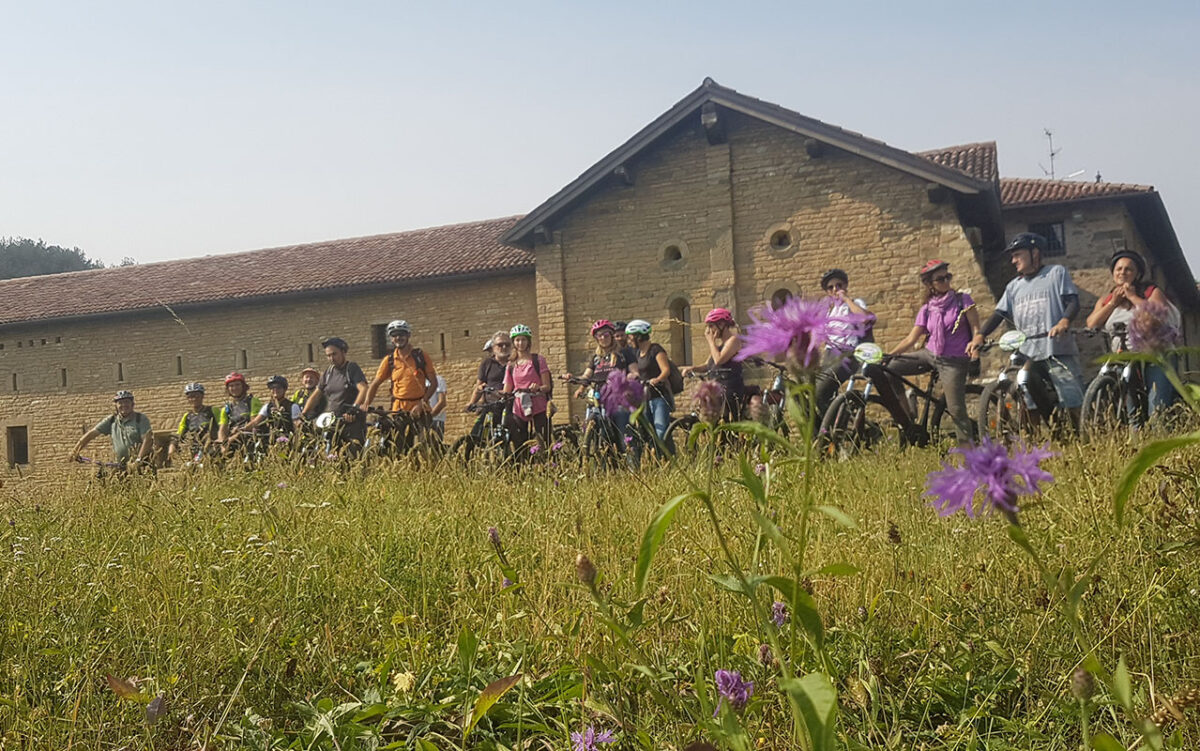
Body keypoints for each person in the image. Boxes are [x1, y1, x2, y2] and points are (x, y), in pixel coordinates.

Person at [968, 233, 1085, 423]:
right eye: (1012, 256)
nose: (1013, 261)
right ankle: (1043, 438)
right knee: (1028, 399)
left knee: (1071, 398)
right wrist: (980, 335)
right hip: (1027, 353)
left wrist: (1064, 321)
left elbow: (1073, 302)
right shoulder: (1013, 287)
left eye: (1018, 255)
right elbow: (999, 314)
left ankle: (1083, 437)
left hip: (1056, 349)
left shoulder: (1056, 273)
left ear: (1035, 253)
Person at [868, 260, 980, 445]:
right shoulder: (927, 309)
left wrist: (975, 343)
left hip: (954, 360)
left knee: (956, 410)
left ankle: (968, 458)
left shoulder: (963, 300)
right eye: (940, 279)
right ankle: (907, 415)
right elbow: (911, 340)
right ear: (930, 284)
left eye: (947, 277)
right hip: (929, 354)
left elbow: (976, 329)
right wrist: (889, 355)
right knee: (890, 369)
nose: (946, 281)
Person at [1085, 249, 1178, 418]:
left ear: (1137, 273)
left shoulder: (1151, 292)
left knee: (1157, 409)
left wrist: (1133, 297)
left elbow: (1156, 316)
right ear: (1113, 273)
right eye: (1118, 269)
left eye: (1128, 269)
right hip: (1123, 358)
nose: (1123, 273)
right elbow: (1092, 323)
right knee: (1132, 411)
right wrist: (1113, 303)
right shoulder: (1105, 300)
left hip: (1155, 356)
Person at [814, 269, 875, 427]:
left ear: (845, 286)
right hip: (829, 355)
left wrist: (847, 299)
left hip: (848, 354)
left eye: (839, 285)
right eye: (831, 287)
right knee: (819, 395)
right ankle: (843, 429)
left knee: (820, 391)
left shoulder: (855, 303)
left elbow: (864, 318)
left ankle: (838, 428)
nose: (835, 289)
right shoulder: (829, 312)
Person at [361, 320, 437, 424]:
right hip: (399, 410)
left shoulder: (421, 356)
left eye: (401, 334)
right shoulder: (389, 360)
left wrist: (421, 404)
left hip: (421, 409)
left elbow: (433, 383)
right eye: (394, 335)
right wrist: (366, 403)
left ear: (408, 335)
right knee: (399, 440)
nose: (398, 338)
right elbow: (375, 384)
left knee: (425, 440)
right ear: (391, 339)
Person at [302, 337, 369, 452]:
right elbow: (316, 394)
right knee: (330, 454)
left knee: (353, 457)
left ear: (343, 352)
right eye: (328, 355)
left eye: (334, 354)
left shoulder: (351, 368)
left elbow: (363, 388)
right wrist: (304, 413)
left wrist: (353, 409)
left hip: (351, 422)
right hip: (333, 422)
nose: (331, 358)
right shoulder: (328, 372)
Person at [681, 308, 745, 420]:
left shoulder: (733, 341)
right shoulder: (719, 346)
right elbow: (708, 365)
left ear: (721, 324)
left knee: (725, 420)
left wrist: (711, 341)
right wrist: (693, 368)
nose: (709, 331)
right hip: (717, 389)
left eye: (711, 326)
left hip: (729, 389)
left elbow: (719, 360)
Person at [575, 319, 635, 436]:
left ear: (612, 335)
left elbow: (634, 370)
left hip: (618, 399)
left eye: (606, 334)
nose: (603, 338)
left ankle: (629, 452)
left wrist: (630, 378)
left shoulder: (623, 354)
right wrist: (577, 383)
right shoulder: (596, 358)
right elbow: (587, 375)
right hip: (599, 397)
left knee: (623, 435)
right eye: (599, 335)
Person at [626, 319, 675, 458]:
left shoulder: (656, 350)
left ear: (639, 336)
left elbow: (666, 370)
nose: (629, 341)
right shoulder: (638, 354)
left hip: (659, 396)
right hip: (646, 397)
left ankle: (667, 459)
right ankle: (658, 460)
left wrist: (657, 379)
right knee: (649, 431)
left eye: (630, 337)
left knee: (660, 431)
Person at [69, 390, 154, 468]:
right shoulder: (112, 420)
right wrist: (75, 451)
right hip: (120, 465)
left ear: (132, 404)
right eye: (120, 403)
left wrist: (138, 461)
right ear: (116, 406)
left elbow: (147, 440)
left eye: (126, 402)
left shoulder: (140, 419)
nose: (124, 405)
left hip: (142, 465)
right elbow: (91, 434)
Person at [502, 323, 553, 449]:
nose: (521, 343)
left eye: (523, 339)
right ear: (514, 343)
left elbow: (547, 386)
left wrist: (538, 387)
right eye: (517, 340)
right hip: (519, 406)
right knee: (520, 442)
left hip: (539, 404)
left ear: (528, 341)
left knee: (543, 440)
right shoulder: (511, 365)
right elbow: (507, 390)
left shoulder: (538, 360)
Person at [244, 375, 301, 444]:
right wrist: (243, 429)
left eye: (278, 388)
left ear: (284, 389)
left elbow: (296, 427)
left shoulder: (293, 406)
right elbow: (255, 422)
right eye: (272, 388)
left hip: (288, 442)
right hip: (271, 443)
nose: (275, 390)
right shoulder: (267, 407)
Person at [170, 382, 219, 463]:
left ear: (202, 396)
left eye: (197, 396)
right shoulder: (187, 416)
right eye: (191, 397)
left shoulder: (213, 410)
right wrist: (172, 447)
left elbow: (223, 427)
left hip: (213, 450)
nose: (194, 399)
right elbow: (178, 434)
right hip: (195, 452)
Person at [216, 372, 263, 449]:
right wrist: (222, 444)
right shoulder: (227, 408)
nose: (234, 388)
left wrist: (237, 435)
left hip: (249, 439)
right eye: (231, 386)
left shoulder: (252, 401)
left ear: (243, 387)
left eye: (237, 384)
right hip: (232, 442)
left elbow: (254, 424)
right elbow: (222, 428)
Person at [468, 331, 512, 409]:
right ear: (493, 347)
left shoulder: (515, 364)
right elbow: (479, 386)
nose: (504, 347)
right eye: (500, 345)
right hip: (491, 405)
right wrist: (472, 403)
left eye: (507, 345)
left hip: (511, 406)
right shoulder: (487, 363)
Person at [429, 374, 448, 439]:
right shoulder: (416, 381)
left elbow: (442, 402)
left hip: (436, 420)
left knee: (434, 446)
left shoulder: (438, 379)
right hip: (421, 422)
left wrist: (429, 416)